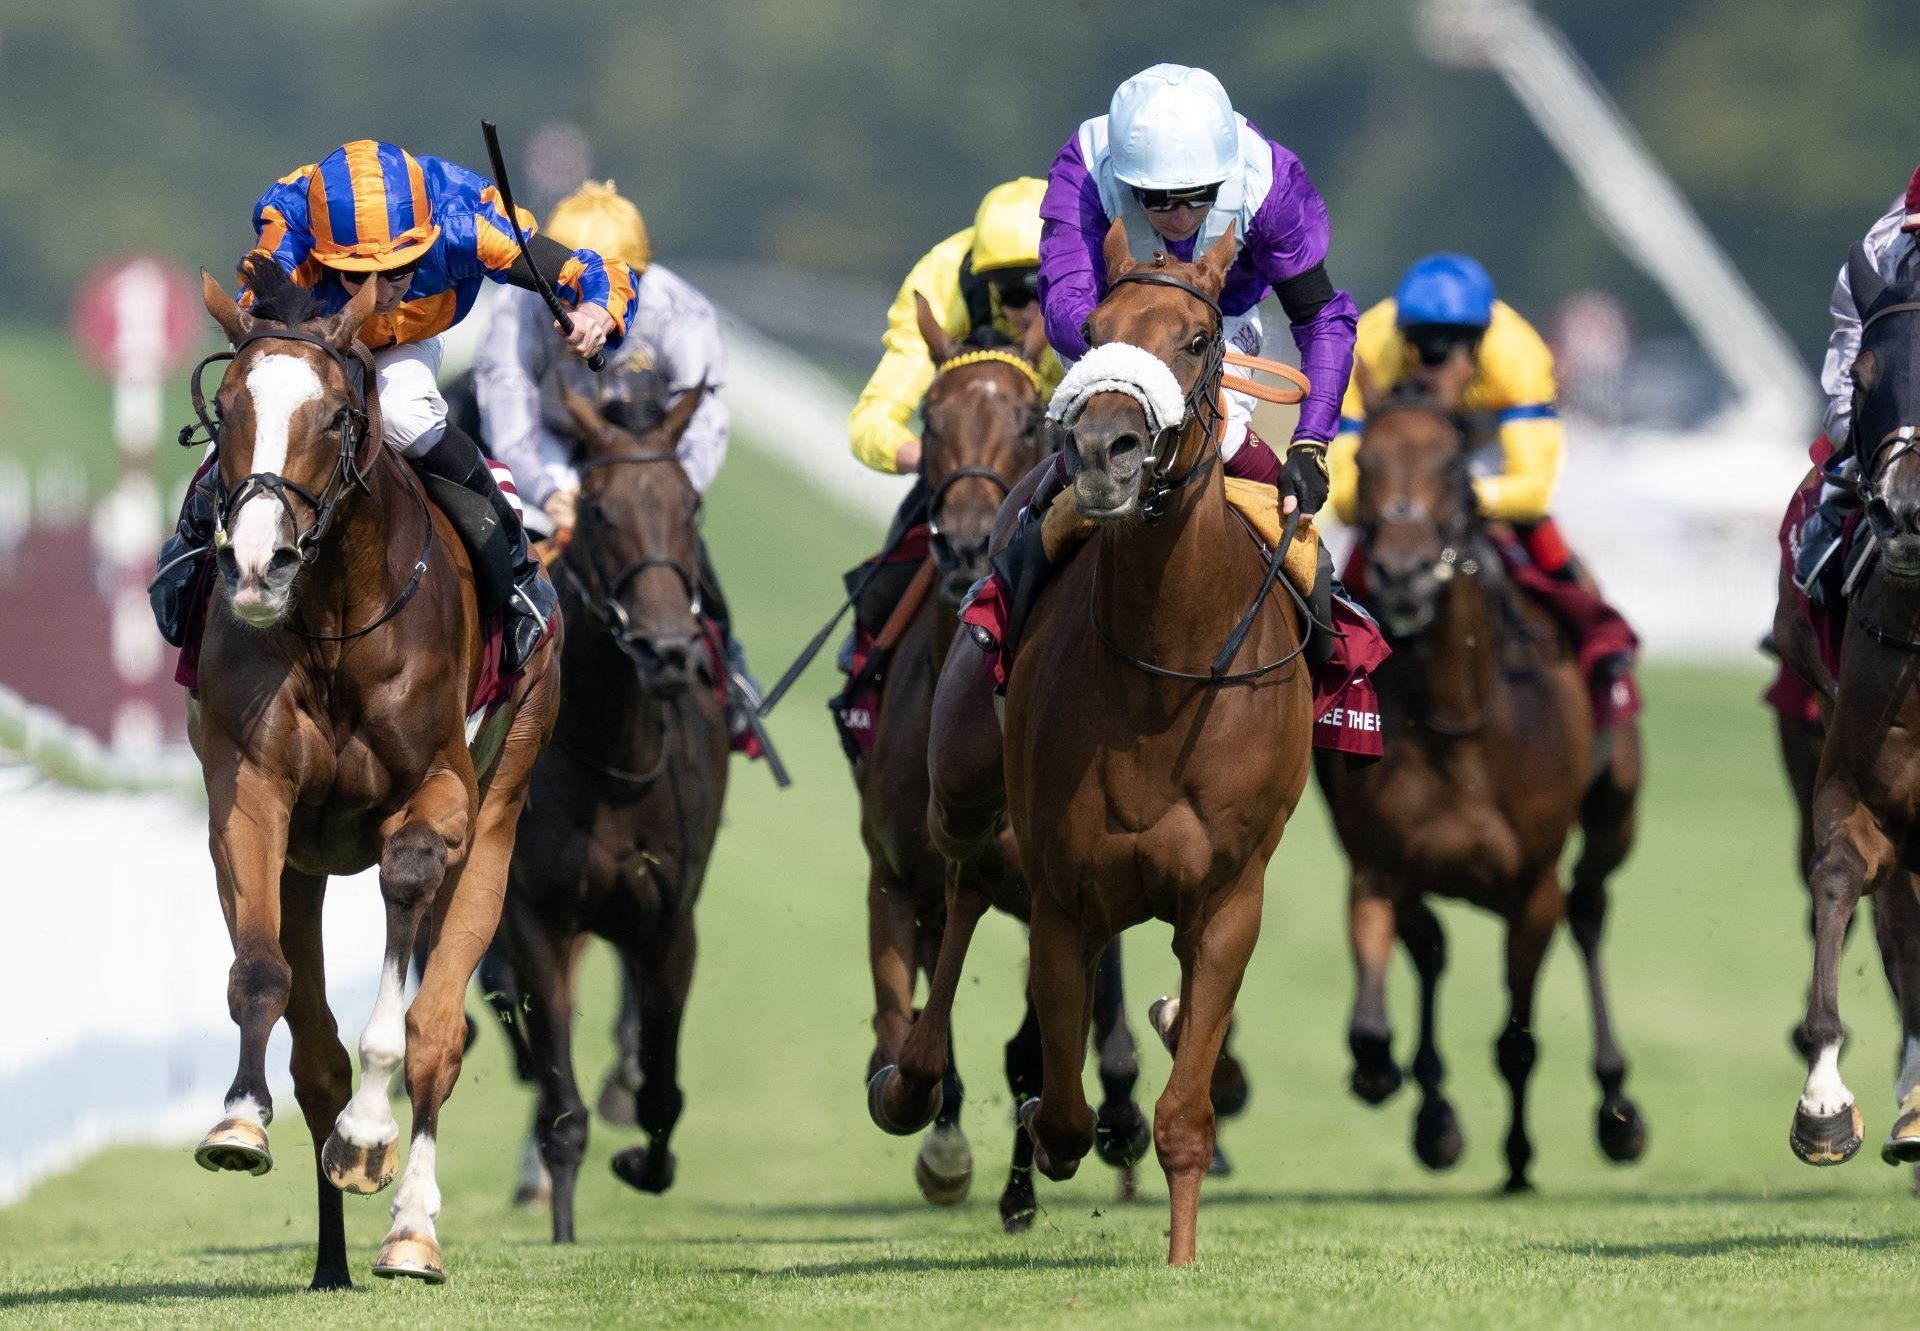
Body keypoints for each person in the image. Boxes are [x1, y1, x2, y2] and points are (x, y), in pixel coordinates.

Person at [151, 139, 638, 673]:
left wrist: (597, 312)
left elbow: (598, 271)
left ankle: (518, 570)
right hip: (317, 339)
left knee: (406, 415)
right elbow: (255, 327)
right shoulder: (289, 228)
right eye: (355, 275)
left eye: (399, 270)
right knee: (269, 401)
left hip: (407, 342)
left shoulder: (467, 222)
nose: (378, 293)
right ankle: (192, 541)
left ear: (425, 242)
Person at [473, 180, 762, 738]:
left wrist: (676, 488)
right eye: (569, 284)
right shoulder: (516, 311)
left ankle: (732, 674)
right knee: (495, 536)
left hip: (648, 449)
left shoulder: (681, 312)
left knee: (669, 538)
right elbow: (511, 420)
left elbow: (704, 416)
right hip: (552, 437)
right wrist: (546, 491)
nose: (591, 300)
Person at [1038, 62, 1357, 515]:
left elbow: (1322, 318)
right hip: (1110, 333)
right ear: (1127, 181)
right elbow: (1065, 304)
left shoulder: (1269, 182)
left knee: (1224, 433)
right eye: (1158, 198)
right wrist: (1135, 362)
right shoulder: (1087, 169)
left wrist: (1310, 442)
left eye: (1201, 194)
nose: (1182, 217)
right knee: (1088, 449)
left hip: (1218, 325)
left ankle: (1322, 581)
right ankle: (1007, 575)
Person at [1328, 252, 1635, 687]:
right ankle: (1338, 643)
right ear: (1402, 337)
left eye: (1452, 344)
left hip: (1488, 443)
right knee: (1383, 528)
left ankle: (1595, 629)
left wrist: (1473, 496)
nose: (1435, 358)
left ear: (1480, 342)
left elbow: (1533, 489)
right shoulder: (1370, 348)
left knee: (1530, 522)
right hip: (1406, 458)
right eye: (1423, 342)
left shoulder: (1518, 355)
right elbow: (1344, 500)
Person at [848, 176, 1062, 543]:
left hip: (1075, 454)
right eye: (1012, 293)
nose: (1031, 310)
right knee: (885, 585)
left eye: (1043, 288)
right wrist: (938, 460)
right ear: (988, 282)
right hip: (969, 473)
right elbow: (871, 422)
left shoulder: (1101, 277)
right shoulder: (938, 288)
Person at [1794, 167, 1920, 607]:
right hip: (1892, 405)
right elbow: (1851, 364)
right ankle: (1818, 570)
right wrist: (1861, 441)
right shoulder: (1878, 251)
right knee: (1830, 479)